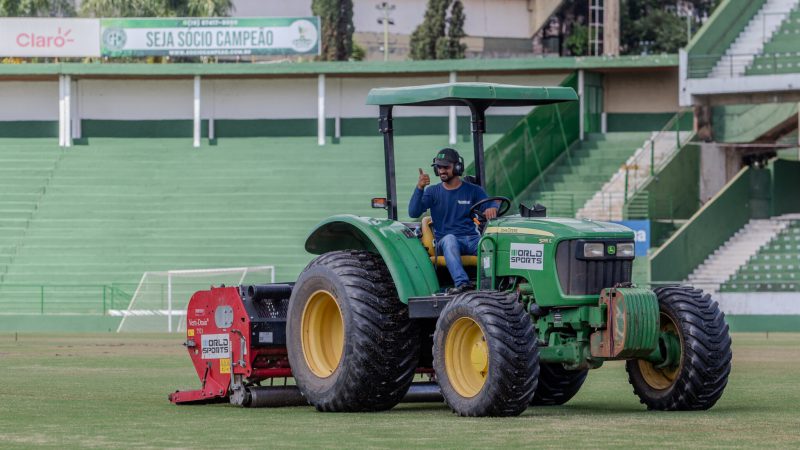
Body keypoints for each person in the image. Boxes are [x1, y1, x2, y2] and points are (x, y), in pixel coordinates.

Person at [408, 148, 497, 294]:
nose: (442, 170)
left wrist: (491, 208)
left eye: (446, 167)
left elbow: (491, 203)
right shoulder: (432, 192)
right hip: (445, 242)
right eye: (439, 167)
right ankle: (462, 284)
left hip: (472, 239)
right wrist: (420, 188)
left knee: (489, 243)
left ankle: (495, 286)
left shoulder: (473, 190)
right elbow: (413, 212)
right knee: (450, 240)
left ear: (457, 167)